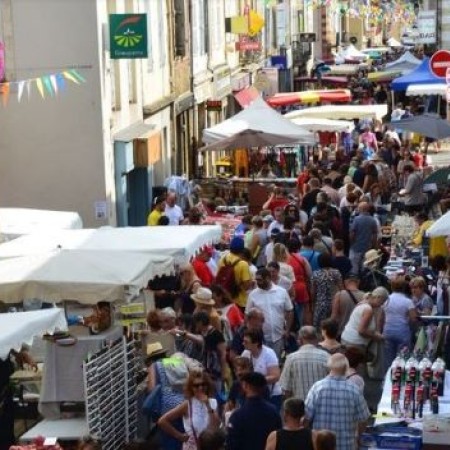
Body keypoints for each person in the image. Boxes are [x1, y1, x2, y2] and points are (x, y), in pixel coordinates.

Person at [305, 354, 370, 450]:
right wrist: (357, 436)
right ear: (346, 368)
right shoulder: (354, 389)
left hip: (321, 445)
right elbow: (363, 419)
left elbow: (306, 417)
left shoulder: (317, 387)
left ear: (329, 367)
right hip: (346, 444)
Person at [158, 371, 221, 450]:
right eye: (196, 385)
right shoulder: (187, 404)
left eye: (203, 384)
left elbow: (215, 426)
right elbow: (162, 421)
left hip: (210, 446)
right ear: (191, 388)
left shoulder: (213, 402)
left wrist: (208, 405)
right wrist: (179, 436)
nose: (200, 388)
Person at [246, 268, 294, 359]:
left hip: (278, 336)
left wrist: (287, 330)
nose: (257, 282)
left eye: (260, 280)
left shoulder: (282, 292)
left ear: (268, 278)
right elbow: (247, 315)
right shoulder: (253, 294)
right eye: (256, 280)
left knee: (277, 361)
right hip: (260, 338)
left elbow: (289, 311)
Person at [226, 372, 282, 450]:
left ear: (245, 385)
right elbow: (279, 438)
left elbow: (231, 444)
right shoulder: (273, 411)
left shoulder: (238, 415)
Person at [279, 326, 329, 401]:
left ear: (300, 340)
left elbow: (285, 389)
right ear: (317, 339)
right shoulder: (327, 357)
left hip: (299, 408)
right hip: (321, 406)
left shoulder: (291, 358)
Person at [242, 329, 282, 410]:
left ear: (256, 343)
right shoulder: (245, 354)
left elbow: (275, 376)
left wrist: (256, 380)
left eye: (246, 342)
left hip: (271, 395)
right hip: (254, 394)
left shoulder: (269, 354)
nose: (243, 344)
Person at [383, 276, 417, 371]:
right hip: (402, 331)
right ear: (403, 287)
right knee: (403, 359)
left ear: (391, 287)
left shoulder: (386, 300)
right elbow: (414, 318)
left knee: (388, 359)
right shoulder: (408, 301)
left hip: (387, 330)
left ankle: (388, 380)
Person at [217, 237, 253, 310]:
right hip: (239, 301)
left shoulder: (222, 260)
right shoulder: (243, 264)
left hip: (224, 299)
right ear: (242, 250)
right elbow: (246, 287)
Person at [311, 253, 342, 329]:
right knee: (333, 326)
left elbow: (313, 291)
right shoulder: (336, 272)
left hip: (320, 303)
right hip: (334, 303)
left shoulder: (315, 274)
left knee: (320, 327)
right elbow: (341, 288)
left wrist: (312, 303)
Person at [286, 239, 312, 328]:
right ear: (299, 247)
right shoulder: (302, 259)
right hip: (301, 287)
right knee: (301, 310)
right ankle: (299, 328)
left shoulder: (285, 259)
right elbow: (309, 274)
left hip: (289, 288)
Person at [331, 274, 365, 338]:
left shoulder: (339, 294)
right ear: (358, 282)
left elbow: (334, 317)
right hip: (357, 334)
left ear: (345, 282)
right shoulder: (365, 296)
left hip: (342, 332)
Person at [349, 202, 378, 275]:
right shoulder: (372, 220)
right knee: (364, 268)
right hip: (367, 247)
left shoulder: (356, 219)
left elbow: (352, 233)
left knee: (354, 268)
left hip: (356, 247)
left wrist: (351, 243)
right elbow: (375, 234)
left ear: (361, 209)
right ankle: (364, 283)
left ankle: (355, 281)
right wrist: (373, 246)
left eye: (358, 208)